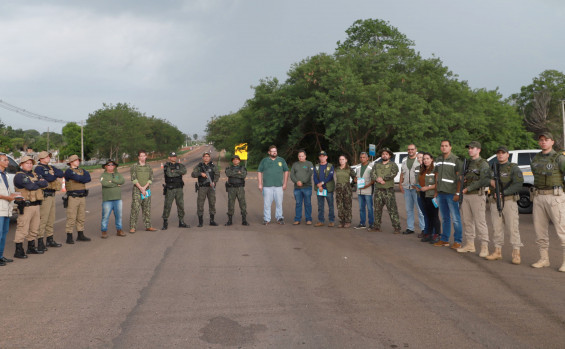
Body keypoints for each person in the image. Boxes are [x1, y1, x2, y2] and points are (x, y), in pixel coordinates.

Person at [529, 132, 565, 272]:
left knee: (562, 230)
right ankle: (544, 259)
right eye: (541, 140)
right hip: (538, 197)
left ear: (552, 142)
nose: (543, 142)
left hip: (555, 197)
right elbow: (534, 173)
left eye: (546, 140)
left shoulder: (559, 158)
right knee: (540, 231)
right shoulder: (536, 158)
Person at [485, 146, 523, 264]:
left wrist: (503, 193)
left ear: (508, 155)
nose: (500, 155)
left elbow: (518, 184)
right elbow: (484, 179)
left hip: (509, 201)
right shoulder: (493, 167)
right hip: (494, 201)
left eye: (503, 153)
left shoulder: (513, 168)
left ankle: (516, 253)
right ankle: (497, 251)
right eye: (498, 153)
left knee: (512, 228)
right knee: (496, 228)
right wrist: (490, 181)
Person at [457, 141, 491, 257]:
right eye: (469, 148)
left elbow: (485, 180)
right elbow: (461, 175)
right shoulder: (467, 163)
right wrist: (463, 179)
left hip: (477, 195)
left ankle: (484, 247)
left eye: (473, 148)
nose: (470, 150)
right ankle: (470, 244)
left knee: (480, 222)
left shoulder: (483, 163)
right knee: (467, 221)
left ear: (479, 150)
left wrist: (469, 187)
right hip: (466, 195)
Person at [13, 156, 48, 258]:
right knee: (23, 228)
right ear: (21, 164)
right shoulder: (20, 176)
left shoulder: (34, 174)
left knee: (34, 228)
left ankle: (31, 247)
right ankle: (18, 251)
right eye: (27, 163)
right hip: (26, 206)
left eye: (30, 163)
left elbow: (45, 183)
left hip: (36, 205)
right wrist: (38, 183)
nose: (29, 165)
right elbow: (30, 186)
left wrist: (36, 183)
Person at [433, 140, 463, 249]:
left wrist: (457, 193)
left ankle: (458, 241)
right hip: (441, 194)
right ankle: (444, 239)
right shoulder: (438, 159)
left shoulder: (456, 160)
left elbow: (460, 179)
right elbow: (436, 176)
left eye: (446, 146)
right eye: (442, 146)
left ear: (450, 147)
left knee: (455, 218)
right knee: (445, 218)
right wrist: (436, 191)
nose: (444, 148)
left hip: (452, 194)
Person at [34, 151, 63, 249]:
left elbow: (61, 173)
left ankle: (50, 239)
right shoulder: (39, 168)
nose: (48, 158)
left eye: (48, 157)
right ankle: (40, 240)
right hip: (45, 195)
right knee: (43, 219)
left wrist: (53, 175)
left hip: (52, 195)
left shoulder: (50, 167)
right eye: (46, 157)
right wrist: (54, 175)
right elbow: (50, 178)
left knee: (51, 219)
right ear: (41, 158)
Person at [369, 148, 401, 234]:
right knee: (377, 209)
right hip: (378, 190)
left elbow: (393, 174)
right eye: (383, 154)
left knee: (392, 209)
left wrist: (383, 178)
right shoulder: (376, 165)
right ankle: (376, 226)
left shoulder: (393, 165)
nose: (384, 155)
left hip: (388, 191)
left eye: (386, 154)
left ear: (389, 155)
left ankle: (397, 227)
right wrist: (378, 179)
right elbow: (372, 174)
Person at [257, 145, 289, 225]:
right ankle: (267, 219)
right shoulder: (264, 161)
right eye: (272, 151)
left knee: (279, 203)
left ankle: (279, 218)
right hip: (267, 186)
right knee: (267, 204)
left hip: (279, 186)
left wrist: (285, 183)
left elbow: (286, 171)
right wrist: (260, 184)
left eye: (275, 151)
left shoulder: (281, 160)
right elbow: (259, 171)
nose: (274, 152)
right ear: (269, 152)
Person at [64, 154, 92, 244]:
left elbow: (88, 178)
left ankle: (80, 234)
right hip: (73, 197)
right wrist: (81, 178)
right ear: (71, 162)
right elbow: (77, 178)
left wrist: (81, 178)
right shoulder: (68, 171)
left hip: (82, 197)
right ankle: (69, 236)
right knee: (71, 217)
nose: (78, 162)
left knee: (81, 216)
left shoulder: (82, 170)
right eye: (76, 160)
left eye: (78, 160)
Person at [399, 144, 426, 235]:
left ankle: (423, 229)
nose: (410, 151)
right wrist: (400, 184)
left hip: (417, 189)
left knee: (420, 210)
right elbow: (402, 173)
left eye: (412, 149)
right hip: (407, 188)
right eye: (409, 149)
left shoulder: (420, 159)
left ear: (416, 149)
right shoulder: (404, 160)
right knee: (408, 209)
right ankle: (410, 228)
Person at [129, 150, 158, 233]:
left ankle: (148, 226)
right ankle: (132, 227)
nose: (142, 157)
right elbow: (133, 178)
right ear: (138, 157)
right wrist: (141, 188)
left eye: (144, 156)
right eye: (141, 156)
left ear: (146, 156)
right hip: (137, 190)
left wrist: (145, 188)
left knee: (147, 209)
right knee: (135, 208)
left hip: (146, 190)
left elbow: (151, 178)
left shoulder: (148, 166)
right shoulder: (134, 166)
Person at [417, 152, 441, 243]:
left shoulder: (435, 170)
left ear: (432, 159)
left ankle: (437, 234)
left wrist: (428, 188)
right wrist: (418, 187)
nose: (425, 160)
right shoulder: (422, 170)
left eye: (427, 158)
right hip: (423, 195)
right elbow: (420, 182)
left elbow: (438, 184)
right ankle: (429, 234)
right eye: (424, 159)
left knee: (434, 216)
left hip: (432, 195)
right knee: (428, 215)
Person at [192, 151, 220, 227]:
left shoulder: (213, 166)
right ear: (203, 158)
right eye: (205, 156)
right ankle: (200, 222)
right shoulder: (199, 166)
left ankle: (212, 220)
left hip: (211, 187)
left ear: (209, 158)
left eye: (208, 156)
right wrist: (200, 174)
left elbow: (217, 174)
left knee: (212, 203)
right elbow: (193, 174)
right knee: (200, 204)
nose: (206, 157)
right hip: (202, 187)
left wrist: (214, 182)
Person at [162, 152, 189, 230]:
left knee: (180, 205)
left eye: (175, 156)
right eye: (172, 156)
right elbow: (169, 174)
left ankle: (181, 222)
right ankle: (165, 222)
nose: (174, 158)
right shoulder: (166, 166)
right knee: (167, 205)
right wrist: (177, 172)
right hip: (170, 189)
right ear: (169, 157)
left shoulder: (180, 165)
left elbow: (184, 171)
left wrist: (174, 171)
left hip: (179, 188)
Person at [100, 160, 126, 238]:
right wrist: (116, 184)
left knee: (119, 215)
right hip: (107, 199)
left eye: (112, 165)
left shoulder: (118, 174)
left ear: (114, 166)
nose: (111, 166)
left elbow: (122, 181)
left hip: (117, 199)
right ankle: (104, 231)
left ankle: (119, 230)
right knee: (105, 216)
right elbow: (104, 183)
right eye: (109, 165)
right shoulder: (103, 175)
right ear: (106, 166)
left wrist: (112, 181)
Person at [0, 153, 17, 266]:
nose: (8, 162)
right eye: (5, 160)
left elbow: (6, 191)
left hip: (6, 207)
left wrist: (14, 195)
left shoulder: (5, 175)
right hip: (0, 208)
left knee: (4, 233)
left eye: (7, 160)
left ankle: (1, 256)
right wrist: (8, 197)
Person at [290, 150, 314, 225]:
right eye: (299, 156)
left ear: (305, 156)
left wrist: (302, 182)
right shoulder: (295, 164)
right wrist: (297, 181)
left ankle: (308, 219)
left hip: (307, 187)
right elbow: (292, 175)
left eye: (302, 156)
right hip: (297, 188)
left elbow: (310, 174)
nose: (301, 157)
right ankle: (297, 219)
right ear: (298, 157)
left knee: (308, 203)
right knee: (298, 203)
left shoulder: (309, 164)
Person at [313, 151, 335, 227]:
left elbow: (330, 177)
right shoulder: (316, 166)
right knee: (320, 206)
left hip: (328, 189)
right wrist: (318, 185)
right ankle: (321, 220)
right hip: (320, 189)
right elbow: (315, 177)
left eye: (323, 156)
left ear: (326, 157)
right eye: (320, 156)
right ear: (319, 157)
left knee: (330, 206)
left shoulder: (330, 166)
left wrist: (321, 183)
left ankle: (331, 220)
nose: (322, 157)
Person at [225, 155, 248, 226]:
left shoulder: (242, 168)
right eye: (234, 159)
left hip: (240, 188)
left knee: (242, 204)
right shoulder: (229, 168)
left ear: (239, 161)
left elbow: (243, 175)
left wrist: (233, 174)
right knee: (230, 204)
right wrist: (238, 173)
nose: (235, 160)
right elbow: (228, 174)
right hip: (231, 188)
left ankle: (244, 220)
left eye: (237, 159)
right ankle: (230, 220)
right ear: (232, 161)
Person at [334, 155, 356, 228]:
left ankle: (348, 221)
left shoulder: (349, 169)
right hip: (339, 189)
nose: (341, 161)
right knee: (339, 205)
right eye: (340, 159)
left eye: (343, 159)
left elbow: (355, 178)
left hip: (347, 189)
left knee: (347, 205)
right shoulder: (337, 169)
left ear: (346, 160)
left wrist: (351, 185)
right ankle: (341, 221)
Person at [354, 152, 374, 229]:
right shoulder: (358, 166)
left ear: (367, 158)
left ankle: (371, 224)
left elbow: (373, 179)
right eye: (361, 157)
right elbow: (356, 177)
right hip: (360, 191)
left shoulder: (371, 166)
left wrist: (367, 186)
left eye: (364, 157)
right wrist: (355, 179)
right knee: (361, 208)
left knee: (369, 208)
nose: (362, 159)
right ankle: (362, 223)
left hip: (368, 190)